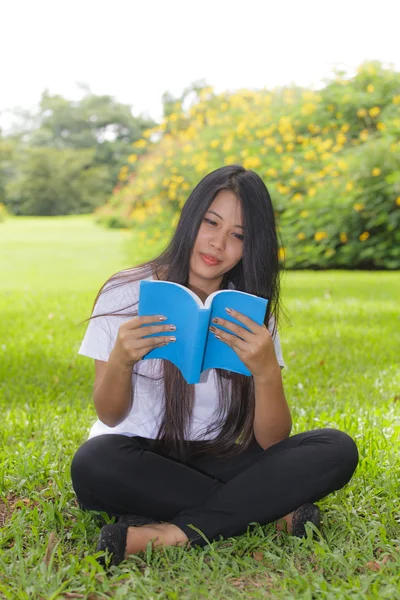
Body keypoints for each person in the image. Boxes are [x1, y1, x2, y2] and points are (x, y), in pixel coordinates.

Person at [70, 164, 358, 567]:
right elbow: (110, 414)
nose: (217, 243)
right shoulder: (125, 292)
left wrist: (266, 372)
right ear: (191, 218)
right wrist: (120, 360)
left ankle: (171, 533)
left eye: (238, 235)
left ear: (250, 246)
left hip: (218, 453)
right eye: (211, 222)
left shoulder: (250, 313)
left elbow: (273, 440)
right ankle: (270, 513)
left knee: (335, 448)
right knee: (93, 463)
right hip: (134, 456)